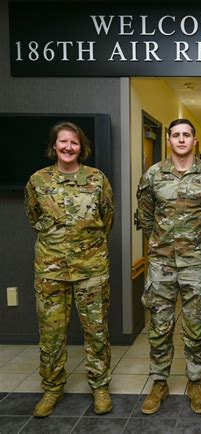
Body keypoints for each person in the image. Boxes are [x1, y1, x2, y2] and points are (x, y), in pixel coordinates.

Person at [137, 118, 201, 415]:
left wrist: (200, 247)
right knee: (159, 327)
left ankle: (194, 381)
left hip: (196, 264)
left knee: (195, 326)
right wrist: (161, 244)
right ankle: (160, 382)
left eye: (186, 135)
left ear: (195, 140)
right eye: (175, 135)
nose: (180, 139)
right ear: (168, 140)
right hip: (161, 263)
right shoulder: (153, 175)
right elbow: (146, 217)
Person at [24, 122, 114, 417]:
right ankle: (51, 389)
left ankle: (100, 387)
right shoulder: (38, 181)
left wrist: (86, 246)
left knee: (97, 332)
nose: (68, 147)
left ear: (81, 147)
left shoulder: (97, 179)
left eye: (74, 142)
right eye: (63, 142)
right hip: (50, 271)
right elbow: (33, 217)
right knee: (51, 335)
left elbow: (107, 218)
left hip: (91, 269)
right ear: (54, 146)